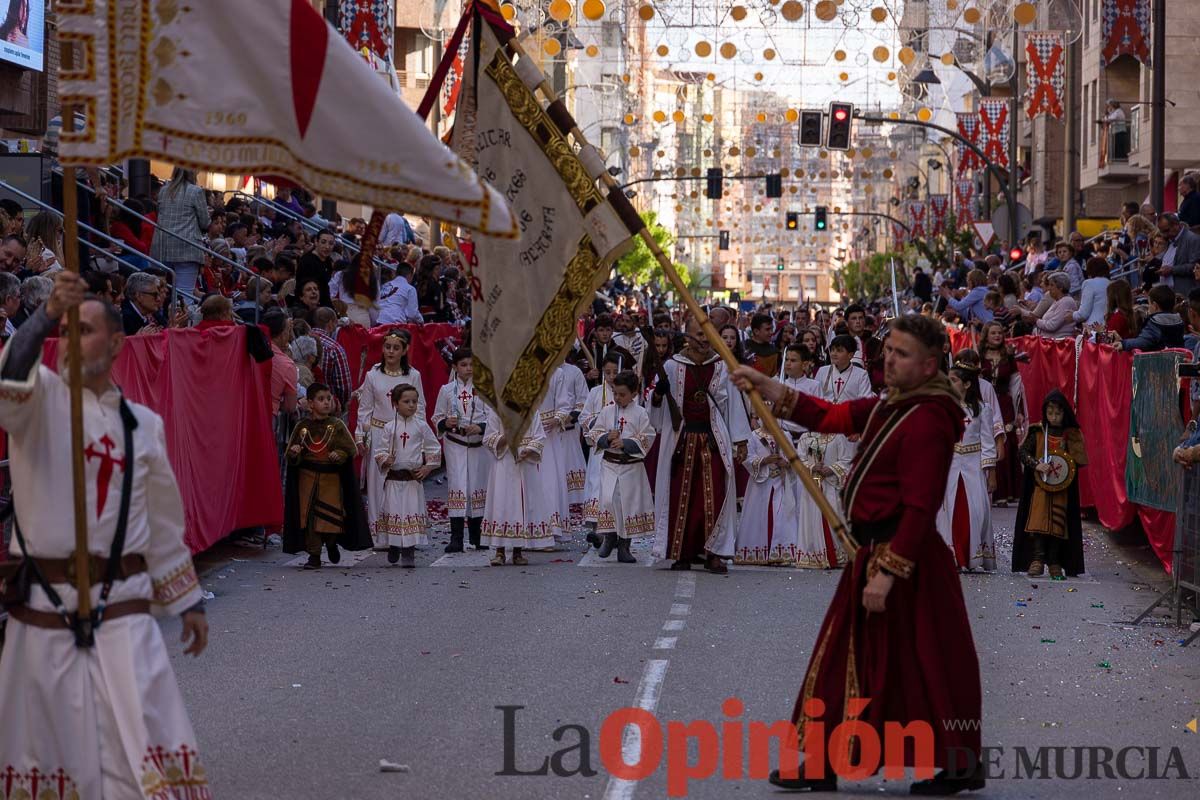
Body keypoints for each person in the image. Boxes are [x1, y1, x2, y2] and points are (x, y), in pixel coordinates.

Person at [733, 315, 983, 795]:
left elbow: (921, 505)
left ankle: (955, 762)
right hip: (873, 553)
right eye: (888, 349)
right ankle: (829, 760)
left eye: (902, 353)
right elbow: (831, 417)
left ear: (930, 364)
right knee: (852, 660)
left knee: (925, 662)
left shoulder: (929, 417)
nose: (889, 358)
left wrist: (887, 574)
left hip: (904, 561)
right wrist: (769, 386)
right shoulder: (897, 403)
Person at [0, 271, 211, 797]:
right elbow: (8, 381)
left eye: (85, 329)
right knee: (54, 767)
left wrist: (188, 602)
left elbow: (161, 523)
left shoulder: (142, 425)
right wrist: (45, 315)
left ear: (116, 342)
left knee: (138, 764)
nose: (72, 340)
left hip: (124, 615)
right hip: (44, 618)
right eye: (65, 331)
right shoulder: (39, 401)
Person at [650, 317, 750, 574]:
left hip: (713, 441)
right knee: (681, 497)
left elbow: (734, 405)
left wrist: (740, 440)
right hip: (681, 442)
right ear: (687, 336)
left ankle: (713, 553)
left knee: (714, 497)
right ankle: (681, 552)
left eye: (708, 336)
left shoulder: (722, 367)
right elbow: (655, 414)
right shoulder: (672, 366)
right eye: (698, 336)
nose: (704, 341)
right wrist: (658, 394)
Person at [282, 382, 371, 569]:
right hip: (307, 481)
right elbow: (290, 454)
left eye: (328, 399)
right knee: (310, 520)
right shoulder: (302, 426)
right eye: (321, 399)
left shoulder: (337, 426)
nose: (326, 403)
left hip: (330, 482)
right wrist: (295, 453)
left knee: (330, 520)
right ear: (310, 403)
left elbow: (351, 449)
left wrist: (339, 454)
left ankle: (331, 543)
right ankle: (313, 555)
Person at [354, 328, 424, 548]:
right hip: (379, 434)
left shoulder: (413, 375)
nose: (390, 352)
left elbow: (420, 408)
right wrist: (361, 437)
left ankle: (404, 533)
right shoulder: (372, 375)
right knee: (377, 486)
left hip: (405, 435)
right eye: (387, 347)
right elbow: (364, 409)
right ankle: (379, 535)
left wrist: (419, 438)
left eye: (396, 348)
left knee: (404, 483)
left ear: (404, 350)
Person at [1012, 391, 1088, 578]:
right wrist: (1036, 464)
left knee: (1057, 527)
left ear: (1065, 414)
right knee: (1038, 525)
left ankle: (1055, 561)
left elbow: (1078, 460)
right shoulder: (1037, 432)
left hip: (1061, 490)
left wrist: (1065, 463)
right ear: (1045, 413)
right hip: (1040, 489)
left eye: (1058, 413)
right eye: (1050, 413)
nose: (1054, 417)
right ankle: (1037, 559)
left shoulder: (1071, 435)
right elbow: (1023, 453)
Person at [585, 370, 655, 563]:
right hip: (609, 465)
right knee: (608, 501)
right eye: (615, 393)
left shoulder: (640, 413)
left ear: (634, 393)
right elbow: (593, 434)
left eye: (622, 394)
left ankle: (624, 546)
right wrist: (606, 438)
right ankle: (609, 537)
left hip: (630, 467)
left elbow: (648, 436)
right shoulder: (607, 411)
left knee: (627, 506)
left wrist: (626, 444)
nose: (617, 397)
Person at [936, 364, 997, 572]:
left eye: (954, 380)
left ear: (967, 384)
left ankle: (970, 557)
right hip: (949, 466)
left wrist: (991, 473)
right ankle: (953, 557)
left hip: (973, 466)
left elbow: (988, 443)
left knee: (973, 510)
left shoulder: (982, 409)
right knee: (948, 511)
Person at [373, 384, 441, 566]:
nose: (411, 405)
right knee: (394, 512)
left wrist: (428, 467)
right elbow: (379, 450)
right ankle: (394, 545)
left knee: (411, 512)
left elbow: (434, 447)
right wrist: (385, 460)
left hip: (412, 480)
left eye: (414, 401)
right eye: (406, 401)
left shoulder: (421, 426)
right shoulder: (389, 427)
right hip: (394, 479)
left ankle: (408, 553)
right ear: (395, 403)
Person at [480, 405, 556, 565]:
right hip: (503, 464)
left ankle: (518, 551)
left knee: (522, 504)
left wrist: (529, 450)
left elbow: (539, 436)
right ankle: (499, 551)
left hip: (524, 465)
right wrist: (506, 438)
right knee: (502, 504)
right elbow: (488, 438)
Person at [432, 347, 491, 552]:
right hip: (455, 444)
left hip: (478, 445)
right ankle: (456, 537)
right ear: (455, 367)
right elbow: (436, 416)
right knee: (457, 486)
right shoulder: (446, 390)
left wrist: (481, 427)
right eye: (464, 365)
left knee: (477, 486)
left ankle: (478, 535)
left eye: (472, 365)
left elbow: (493, 417)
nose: (468, 369)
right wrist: (446, 423)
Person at [734, 413, 803, 566]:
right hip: (761, 485)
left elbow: (794, 458)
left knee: (782, 516)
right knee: (761, 515)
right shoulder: (752, 436)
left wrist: (785, 463)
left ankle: (781, 551)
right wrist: (764, 460)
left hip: (780, 481)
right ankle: (759, 552)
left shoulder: (784, 435)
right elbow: (748, 458)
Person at [977, 323, 1026, 505]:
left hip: (1005, 404)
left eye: (1000, 332)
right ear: (986, 336)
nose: (997, 335)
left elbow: (1016, 385)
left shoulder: (1008, 357)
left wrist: (1019, 411)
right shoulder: (979, 356)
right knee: (988, 440)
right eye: (993, 333)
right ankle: (992, 491)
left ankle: (1007, 492)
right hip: (985, 402)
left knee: (1006, 443)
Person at [150, 167, 210, 299]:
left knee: (159, 294)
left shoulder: (163, 190)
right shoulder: (196, 191)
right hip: (187, 247)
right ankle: (183, 318)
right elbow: (205, 222)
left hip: (162, 246)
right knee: (185, 295)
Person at [1115, 283, 1185, 353]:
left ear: (1155, 306)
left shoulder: (1155, 323)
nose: (1149, 307)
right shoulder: (1179, 321)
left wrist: (1124, 343)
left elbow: (1142, 342)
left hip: (1159, 361)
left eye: (1149, 304)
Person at [310, 307, 352, 411]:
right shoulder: (334, 348)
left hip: (306, 404)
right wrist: (340, 404)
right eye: (335, 323)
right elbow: (344, 386)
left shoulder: (300, 339)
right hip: (328, 407)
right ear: (330, 323)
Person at [815, 335, 874, 403]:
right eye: (832, 349)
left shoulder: (861, 375)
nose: (834, 353)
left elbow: (865, 400)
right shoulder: (822, 371)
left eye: (839, 350)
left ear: (850, 355)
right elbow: (816, 397)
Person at [1156, 212, 1200, 296]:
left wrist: (1172, 270)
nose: (1164, 235)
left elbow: (1195, 266)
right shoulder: (1171, 239)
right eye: (1162, 232)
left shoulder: (1192, 239)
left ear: (1176, 225)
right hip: (1171, 294)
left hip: (1184, 293)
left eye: (1166, 230)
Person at [1072, 257, 1111, 327]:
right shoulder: (1110, 283)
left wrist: (1072, 315)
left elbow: (1083, 313)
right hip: (1108, 324)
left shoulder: (1089, 283)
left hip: (1094, 327)